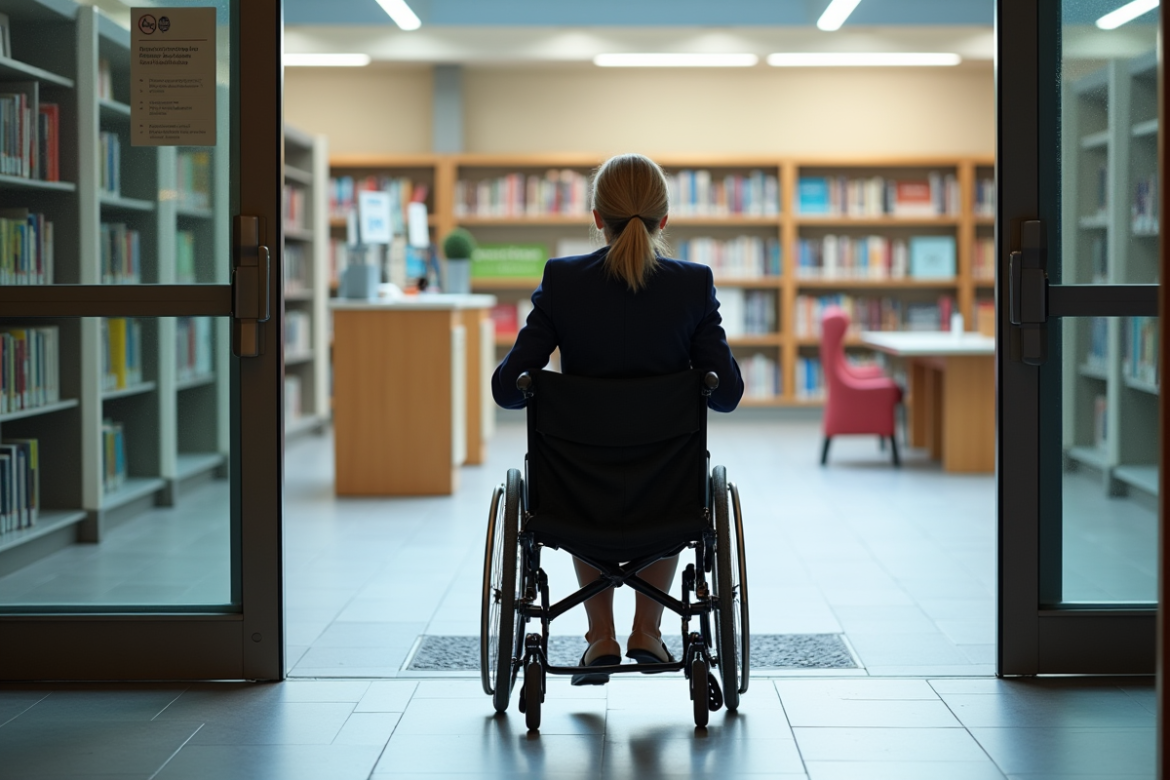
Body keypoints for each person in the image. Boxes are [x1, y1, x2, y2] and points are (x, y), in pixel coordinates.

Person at [492, 152, 743, 685]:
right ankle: (647, 633)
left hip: (577, 490)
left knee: (583, 474)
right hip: (667, 491)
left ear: (596, 217)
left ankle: (601, 639)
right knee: (677, 477)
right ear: (665, 220)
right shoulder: (693, 285)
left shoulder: (563, 281)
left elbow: (505, 388)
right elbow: (728, 396)